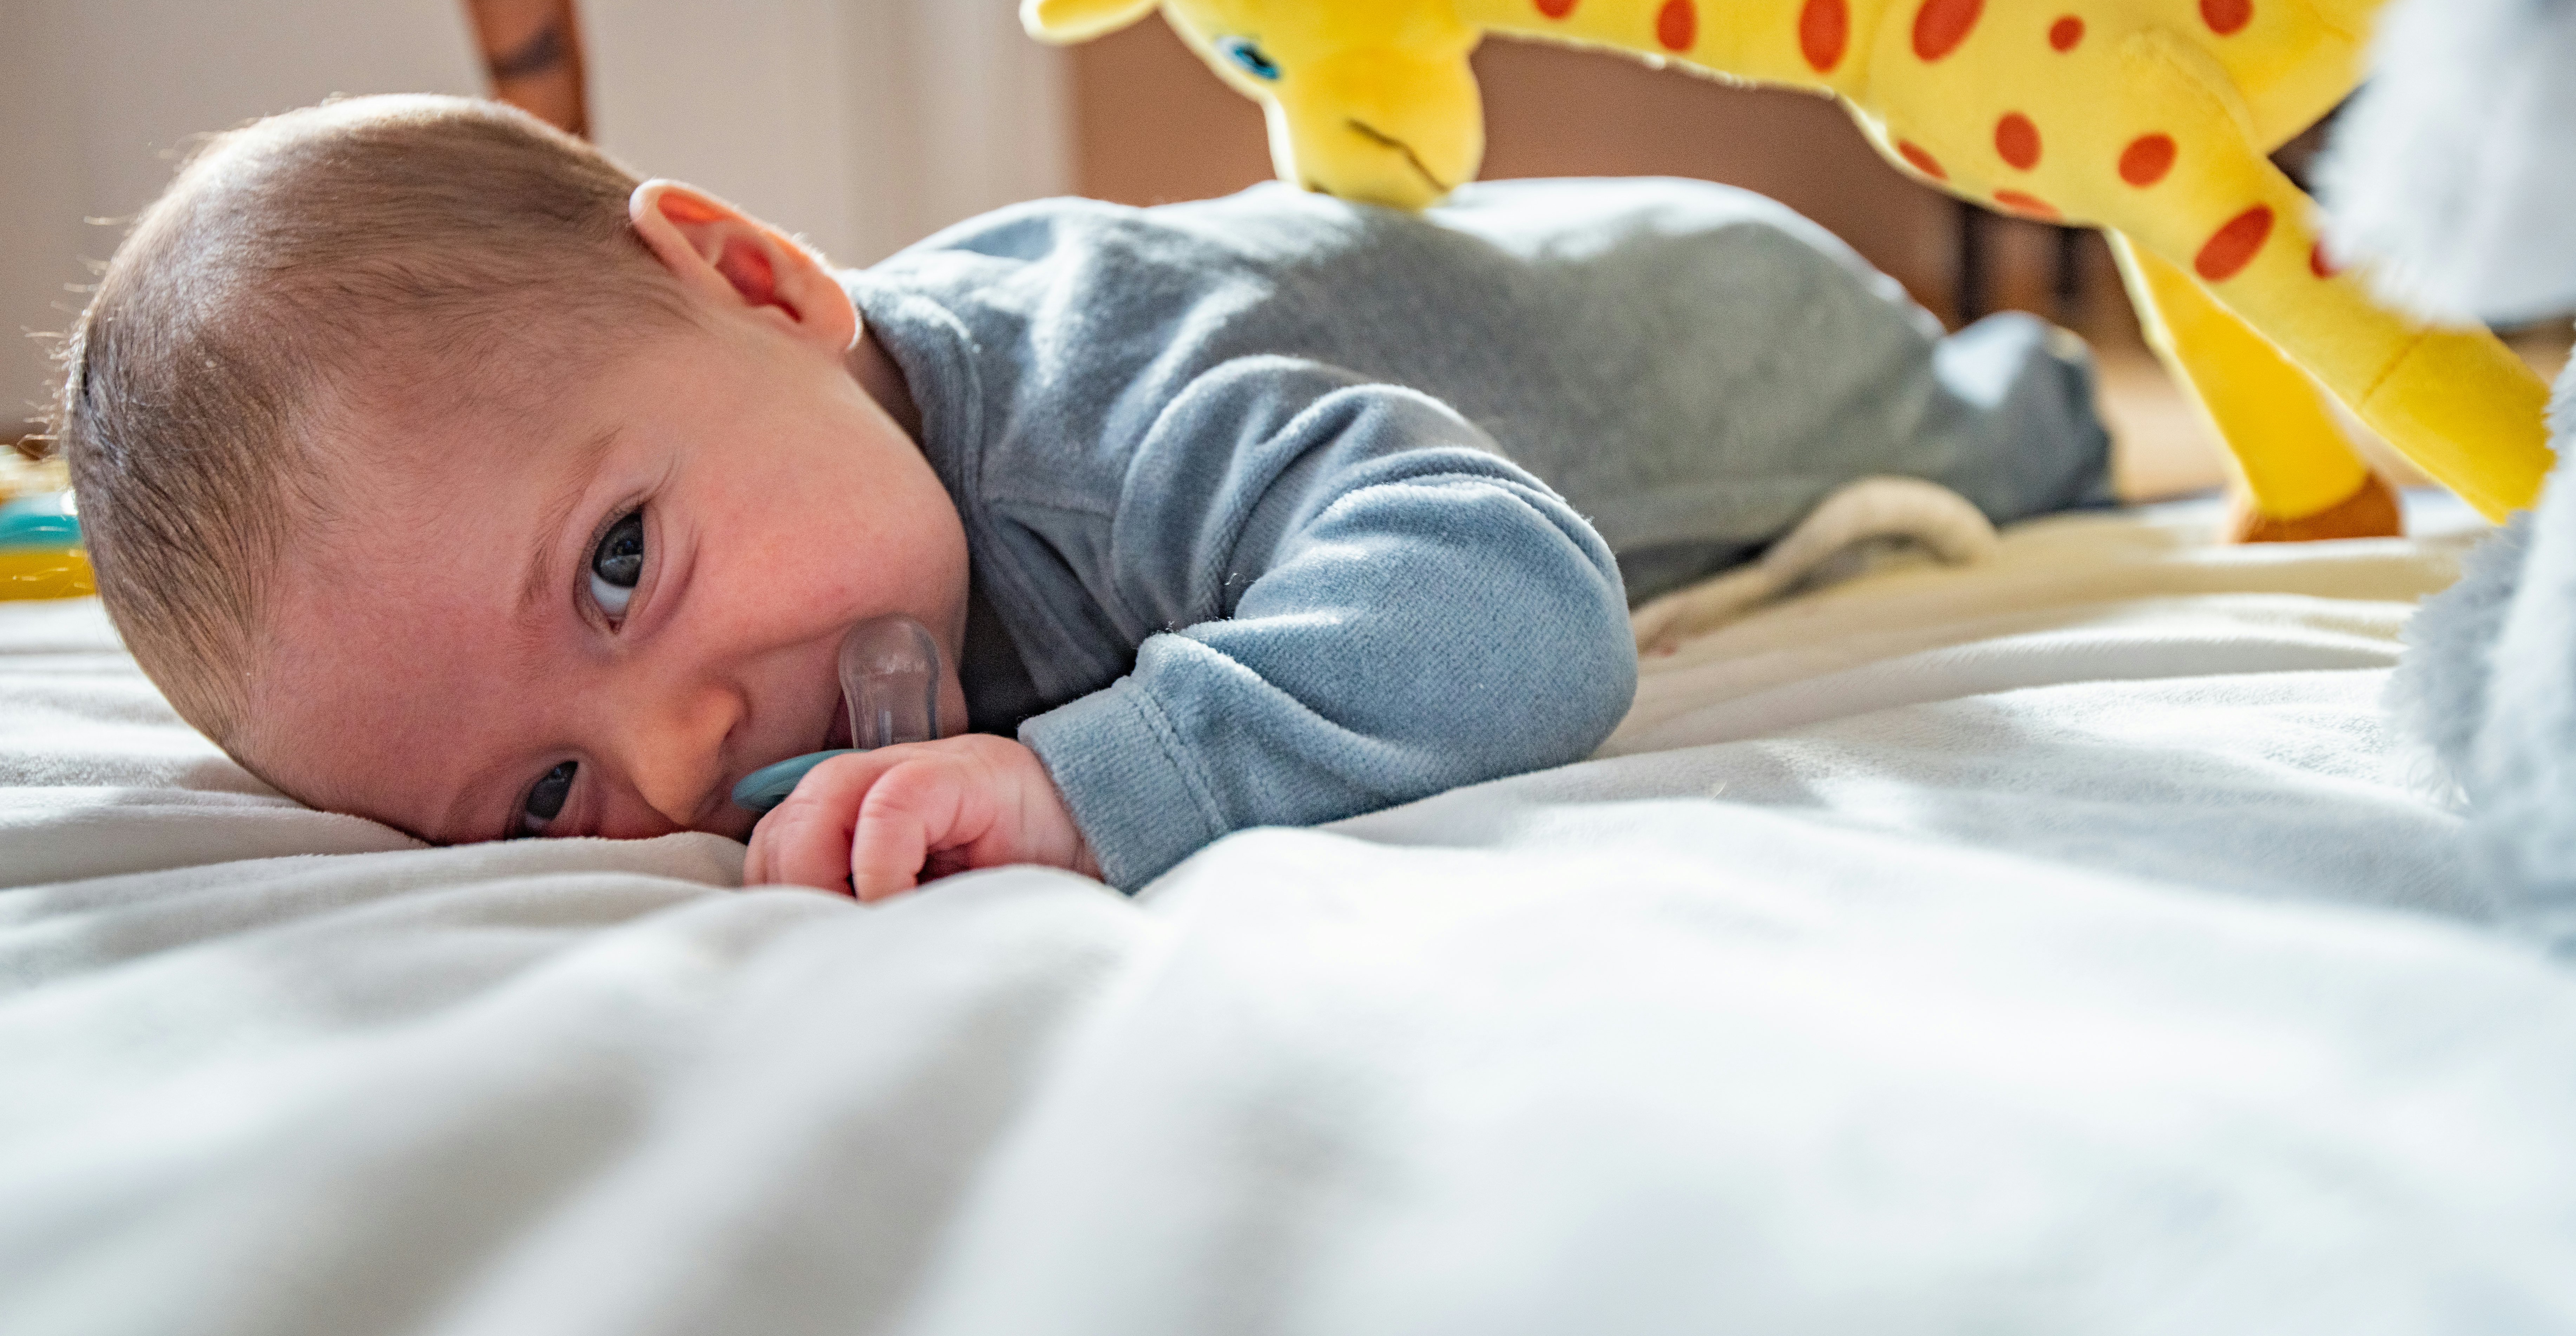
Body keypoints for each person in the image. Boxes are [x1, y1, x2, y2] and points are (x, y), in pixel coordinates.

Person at [57, 96, 2110, 899]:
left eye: (618, 566)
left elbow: (1512, 598)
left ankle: (2032, 386)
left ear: (764, 283)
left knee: (2009, 433)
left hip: (1737, 321)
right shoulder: (825, 500)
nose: (679, 749)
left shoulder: (1091, 394)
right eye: (539, 793)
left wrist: (1100, 776)